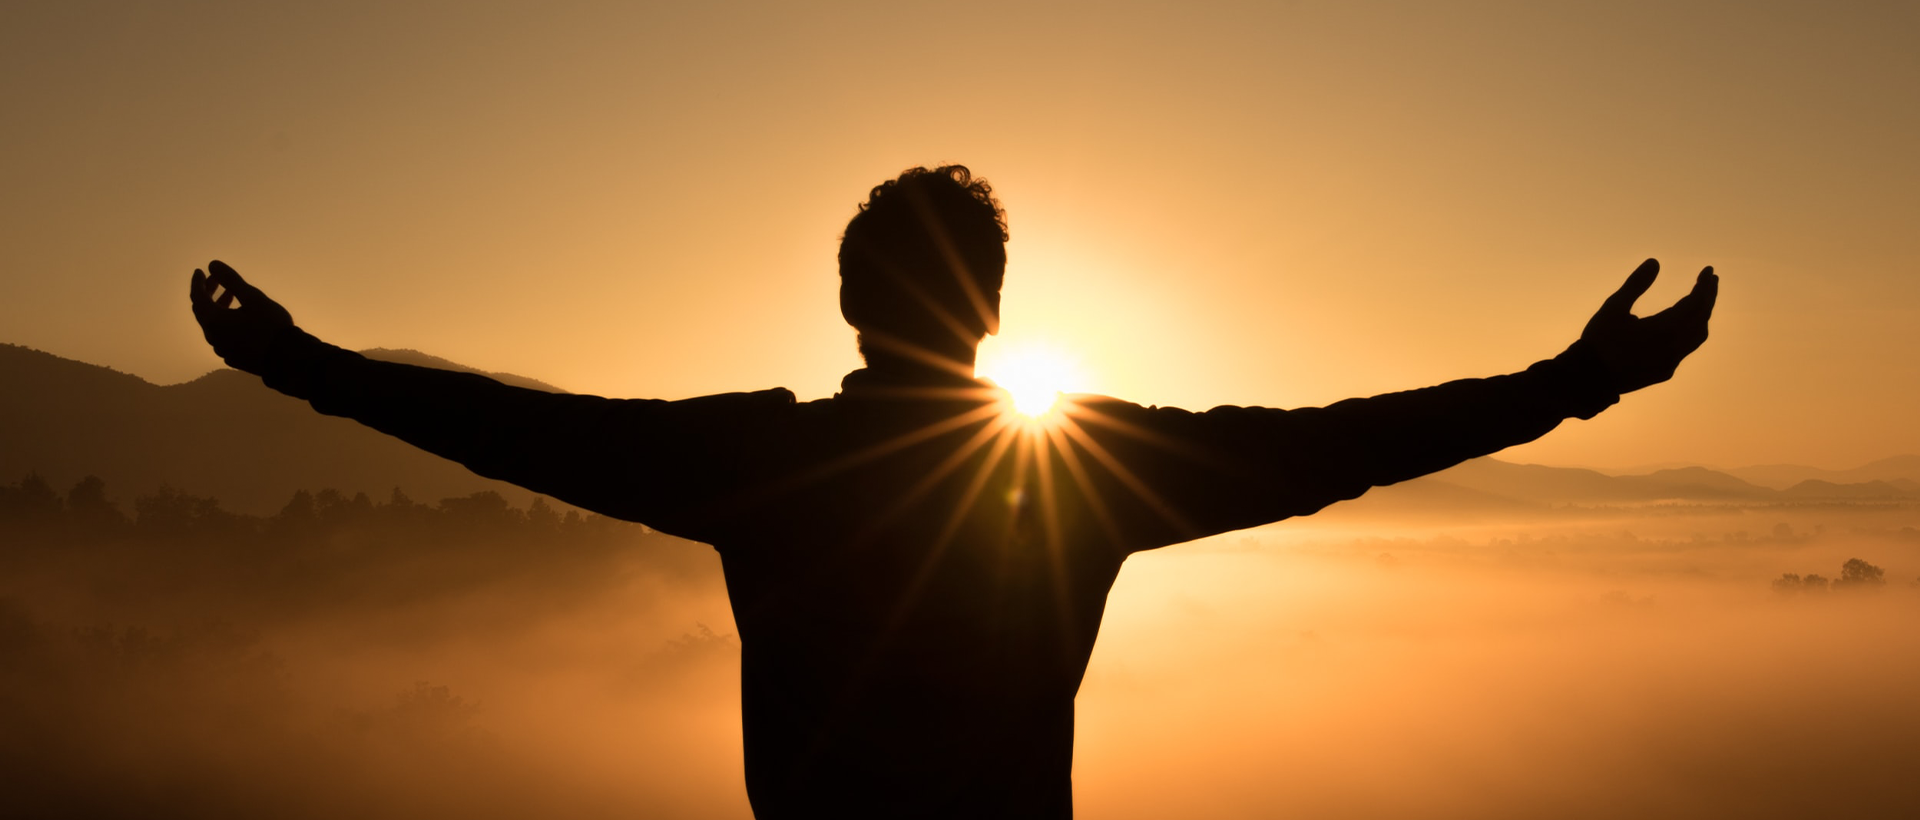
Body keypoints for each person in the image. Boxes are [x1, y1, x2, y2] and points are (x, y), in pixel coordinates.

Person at [189, 165, 1716, 819]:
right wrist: (1574, 382)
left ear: (850, 302)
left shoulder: (764, 462)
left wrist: (304, 366)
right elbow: (1340, 442)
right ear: (989, 312)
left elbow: (522, 434)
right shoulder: (1083, 473)